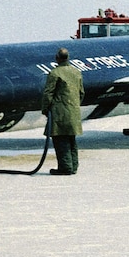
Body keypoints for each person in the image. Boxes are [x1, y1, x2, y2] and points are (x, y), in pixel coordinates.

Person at [42, 48, 85, 176]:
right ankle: (73, 166)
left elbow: (48, 94)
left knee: (61, 140)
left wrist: (45, 109)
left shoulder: (55, 73)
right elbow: (81, 92)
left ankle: (65, 167)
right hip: (73, 111)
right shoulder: (76, 72)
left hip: (59, 112)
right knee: (71, 139)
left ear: (57, 58)